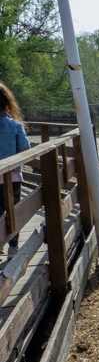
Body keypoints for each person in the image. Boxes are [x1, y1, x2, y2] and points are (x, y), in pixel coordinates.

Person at [0, 83, 30, 259]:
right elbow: (25, 149)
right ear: (7, 105)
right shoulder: (15, 126)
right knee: (12, 211)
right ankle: (13, 247)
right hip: (12, 176)